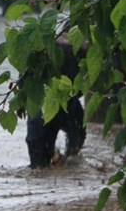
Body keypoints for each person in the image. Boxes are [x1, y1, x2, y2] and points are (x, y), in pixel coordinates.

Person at [25, 35, 86, 167]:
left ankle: (54, 159)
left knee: (38, 167)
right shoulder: (75, 54)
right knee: (73, 153)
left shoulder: (36, 54)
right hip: (64, 106)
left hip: (43, 112)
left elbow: (25, 82)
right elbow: (81, 90)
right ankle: (58, 160)